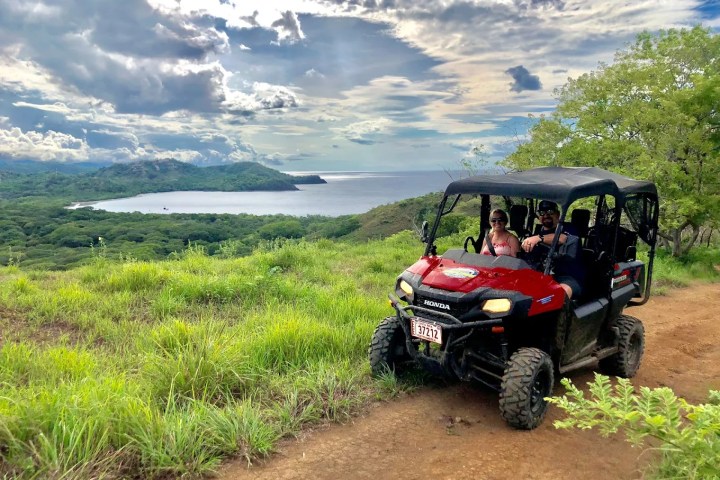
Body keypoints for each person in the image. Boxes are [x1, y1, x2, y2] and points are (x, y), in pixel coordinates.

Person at [521, 200, 584, 299]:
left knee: (558, 295)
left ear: (558, 214)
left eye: (550, 211)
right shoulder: (536, 233)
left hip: (568, 277)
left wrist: (539, 238)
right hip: (541, 276)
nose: (546, 215)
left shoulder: (569, 228)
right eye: (542, 213)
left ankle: (563, 313)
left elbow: (562, 238)